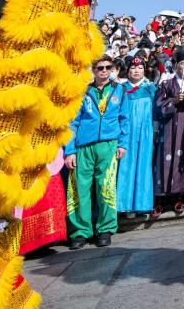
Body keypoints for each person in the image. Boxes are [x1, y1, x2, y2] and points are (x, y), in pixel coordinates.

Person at [64, 55, 131, 249]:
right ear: (93, 70)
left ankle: (105, 229)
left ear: (112, 69)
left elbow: (124, 119)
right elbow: (72, 123)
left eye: (107, 67)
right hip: (83, 146)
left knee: (106, 188)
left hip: (108, 146)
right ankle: (80, 232)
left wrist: (122, 144)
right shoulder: (82, 92)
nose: (103, 71)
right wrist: (70, 151)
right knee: (80, 190)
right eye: (99, 67)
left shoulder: (120, 90)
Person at [154, 48, 184, 213]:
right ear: (176, 65)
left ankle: (178, 197)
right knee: (165, 158)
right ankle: (159, 198)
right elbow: (159, 105)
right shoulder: (166, 83)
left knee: (183, 158)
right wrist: (174, 100)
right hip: (169, 126)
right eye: (183, 63)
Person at [116, 55, 156, 215]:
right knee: (124, 166)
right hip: (125, 133)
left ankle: (141, 204)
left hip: (145, 133)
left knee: (143, 165)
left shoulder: (151, 88)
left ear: (145, 70)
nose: (136, 71)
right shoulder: (120, 88)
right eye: (133, 67)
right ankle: (122, 204)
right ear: (128, 70)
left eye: (140, 68)